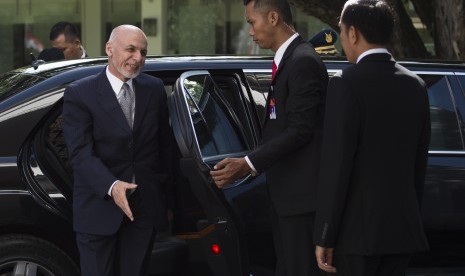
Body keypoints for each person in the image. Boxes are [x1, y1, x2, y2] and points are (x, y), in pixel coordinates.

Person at [210, 0, 328, 275]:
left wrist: (247, 163)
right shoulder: (291, 60)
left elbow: (300, 130)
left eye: (252, 22)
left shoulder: (303, 61)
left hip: (301, 201)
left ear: (273, 17)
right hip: (287, 198)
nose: (249, 31)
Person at [313, 1, 430, 275]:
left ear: (353, 33)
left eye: (340, 31)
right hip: (403, 232)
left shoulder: (345, 83)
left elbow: (336, 166)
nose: (341, 39)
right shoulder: (416, 86)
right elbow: (418, 168)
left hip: (357, 237)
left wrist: (324, 235)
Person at [62, 25, 172, 276]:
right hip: (97, 210)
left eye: (143, 52)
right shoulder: (80, 93)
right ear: (109, 49)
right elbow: (80, 153)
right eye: (131, 49)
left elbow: (165, 148)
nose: (138, 58)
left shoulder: (154, 89)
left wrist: (166, 199)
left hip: (143, 211)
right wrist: (112, 186)